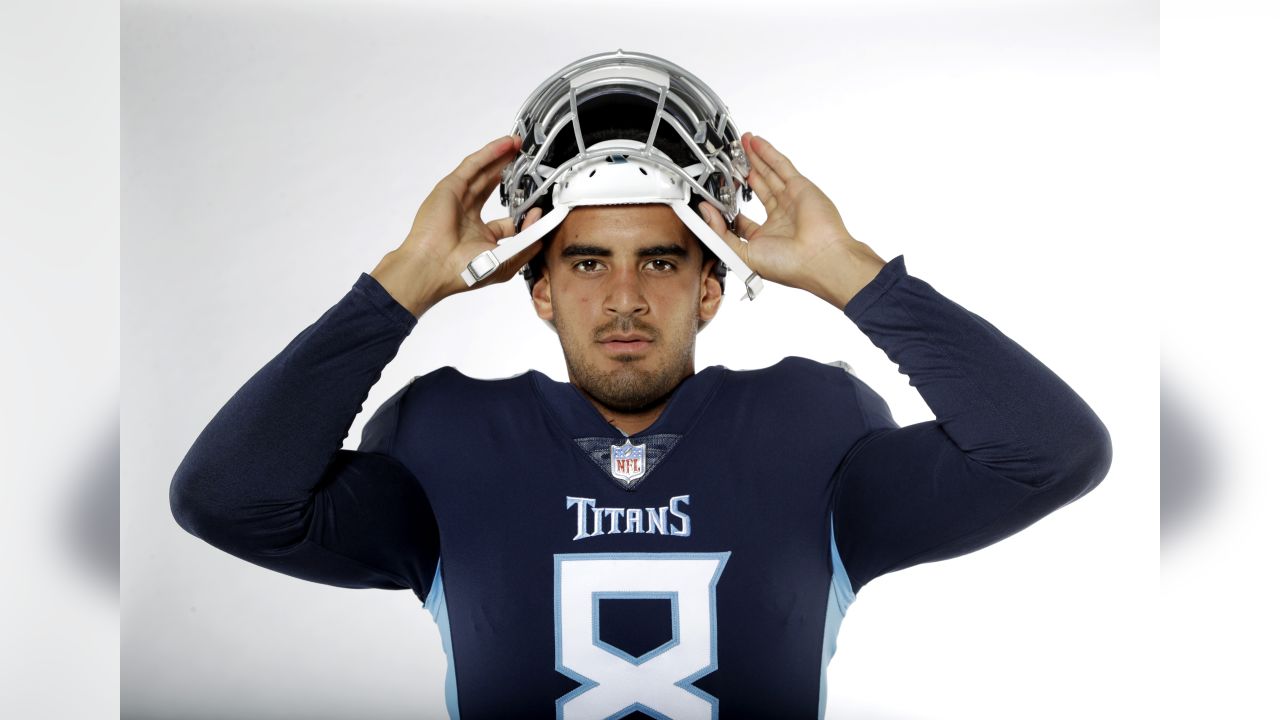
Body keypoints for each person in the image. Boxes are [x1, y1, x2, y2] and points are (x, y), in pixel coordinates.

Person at [170, 54, 1112, 720]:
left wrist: (852, 271)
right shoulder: (446, 440)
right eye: (585, 263)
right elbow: (224, 500)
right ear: (536, 288)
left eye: (661, 262)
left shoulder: (813, 430)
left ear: (712, 285)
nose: (624, 299)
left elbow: (1051, 453)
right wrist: (398, 287)